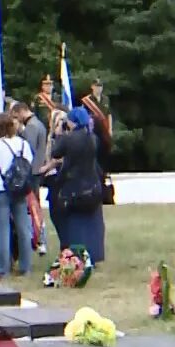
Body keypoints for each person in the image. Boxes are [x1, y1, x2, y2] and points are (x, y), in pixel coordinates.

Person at [47, 107, 106, 264]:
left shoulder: (69, 139)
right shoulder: (92, 138)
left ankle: (76, 255)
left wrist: (59, 133)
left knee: (75, 225)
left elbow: (55, 153)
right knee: (92, 224)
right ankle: (95, 254)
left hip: (74, 187)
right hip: (92, 185)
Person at [0, 111, 34, 280]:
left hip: (1, 189)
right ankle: (25, 266)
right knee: (23, 229)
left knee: (3, 230)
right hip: (19, 189)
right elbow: (29, 165)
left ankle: (2, 268)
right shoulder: (23, 144)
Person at [12, 101, 50, 255]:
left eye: (16, 116)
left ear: (22, 111)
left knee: (33, 208)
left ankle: (40, 239)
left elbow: (28, 149)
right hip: (36, 170)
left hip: (32, 172)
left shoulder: (32, 127)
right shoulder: (38, 124)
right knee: (35, 207)